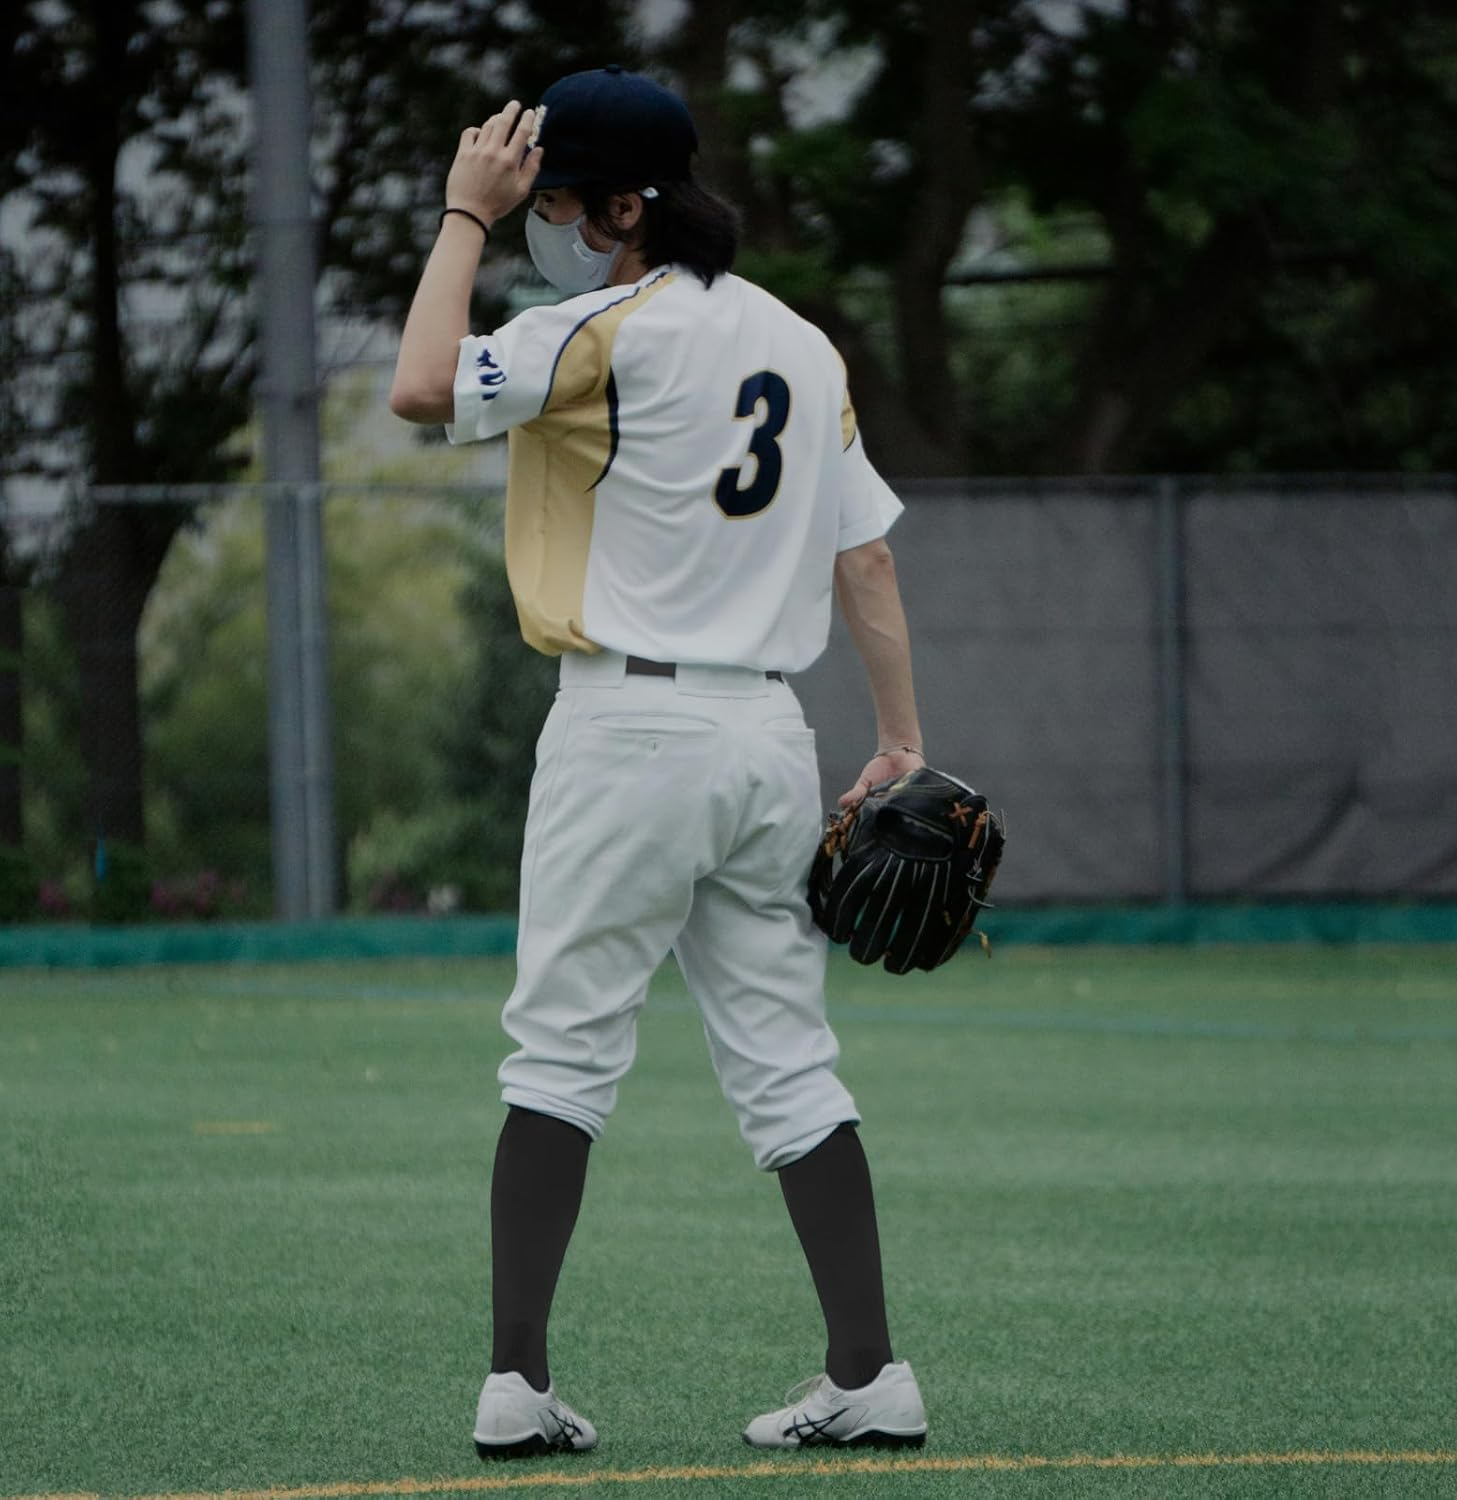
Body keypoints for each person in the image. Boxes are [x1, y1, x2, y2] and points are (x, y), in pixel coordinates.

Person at [390, 66, 929, 1458]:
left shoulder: (599, 331)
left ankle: (516, 1384)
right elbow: (862, 554)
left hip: (627, 728)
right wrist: (903, 742)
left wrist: (459, 215)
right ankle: (869, 1376)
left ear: (626, 207)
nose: (542, 222)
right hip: (768, 736)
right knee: (791, 1060)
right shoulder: (805, 346)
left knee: (560, 1053)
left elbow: (420, 386)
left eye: (557, 200)